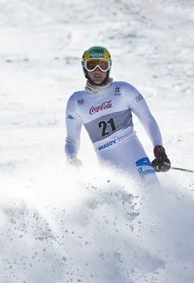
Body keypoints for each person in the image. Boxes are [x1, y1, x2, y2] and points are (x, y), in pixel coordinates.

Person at [64, 46, 171, 187]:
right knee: (123, 207)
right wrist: (71, 158)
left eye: (103, 65)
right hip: (109, 167)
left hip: (136, 157)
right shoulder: (76, 101)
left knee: (158, 200)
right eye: (92, 65)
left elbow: (147, 118)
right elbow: (72, 139)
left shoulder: (123, 90)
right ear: (85, 68)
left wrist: (159, 150)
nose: (97, 71)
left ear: (109, 67)